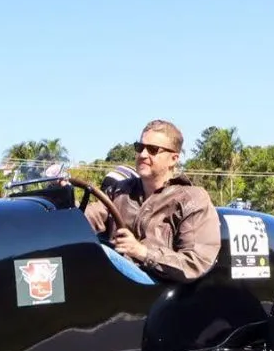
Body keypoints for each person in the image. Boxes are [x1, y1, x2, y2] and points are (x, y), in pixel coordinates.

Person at [83, 119, 221, 282]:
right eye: (139, 147)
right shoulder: (118, 191)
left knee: (103, 254)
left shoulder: (192, 198)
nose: (142, 155)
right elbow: (86, 219)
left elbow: (195, 263)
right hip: (116, 281)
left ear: (173, 159)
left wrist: (141, 252)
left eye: (153, 150)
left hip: (159, 288)